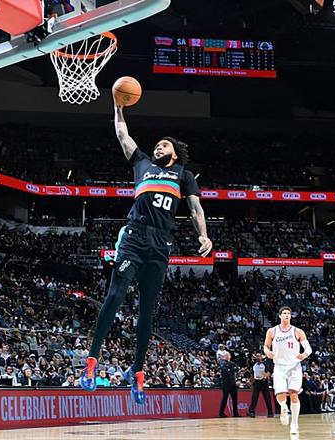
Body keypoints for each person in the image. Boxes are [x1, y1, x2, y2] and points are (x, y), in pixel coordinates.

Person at [80, 101, 212, 405]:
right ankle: (91, 361)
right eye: (156, 145)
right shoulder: (142, 163)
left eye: (163, 145)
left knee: (147, 310)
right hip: (135, 235)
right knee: (115, 295)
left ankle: (137, 373)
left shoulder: (184, 175)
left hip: (161, 243)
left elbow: (195, 208)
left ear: (174, 153)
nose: (157, 147)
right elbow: (122, 135)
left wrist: (203, 235)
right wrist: (118, 109)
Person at [263, 306, 312, 436]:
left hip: (294, 367)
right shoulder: (272, 331)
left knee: (293, 393)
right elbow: (266, 346)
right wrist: (268, 352)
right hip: (279, 367)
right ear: (280, 316)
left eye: (288, 313)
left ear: (290, 316)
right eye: (284, 313)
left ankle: (294, 424)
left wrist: (304, 355)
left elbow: (308, 349)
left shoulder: (297, 331)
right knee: (280, 395)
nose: (286, 315)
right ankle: (284, 408)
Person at [247, 352, 273, 418]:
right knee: (254, 398)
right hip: (256, 382)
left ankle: (270, 412)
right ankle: (251, 412)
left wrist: (266, 376)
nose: (258, 357)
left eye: (259, 356)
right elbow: (252, 374)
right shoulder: (253, 365)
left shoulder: (265, 364)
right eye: (257, 356)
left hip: (263, 382)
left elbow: (269, 372)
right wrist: (251, 382)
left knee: (267, 398)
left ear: (261, 357)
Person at [218, 352, 240, 417]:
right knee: (225, 398)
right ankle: (221, 413)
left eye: (228, 355)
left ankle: (235, 413)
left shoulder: (232, 363)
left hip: (233, 383)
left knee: (235, 399)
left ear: (230, 356)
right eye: (226, 355)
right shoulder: (223, 363)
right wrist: (232, 370)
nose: (227, 356)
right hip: (226, 383)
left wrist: (230, 370)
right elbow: (225, 371)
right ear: (224, 357)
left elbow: (237, 369)